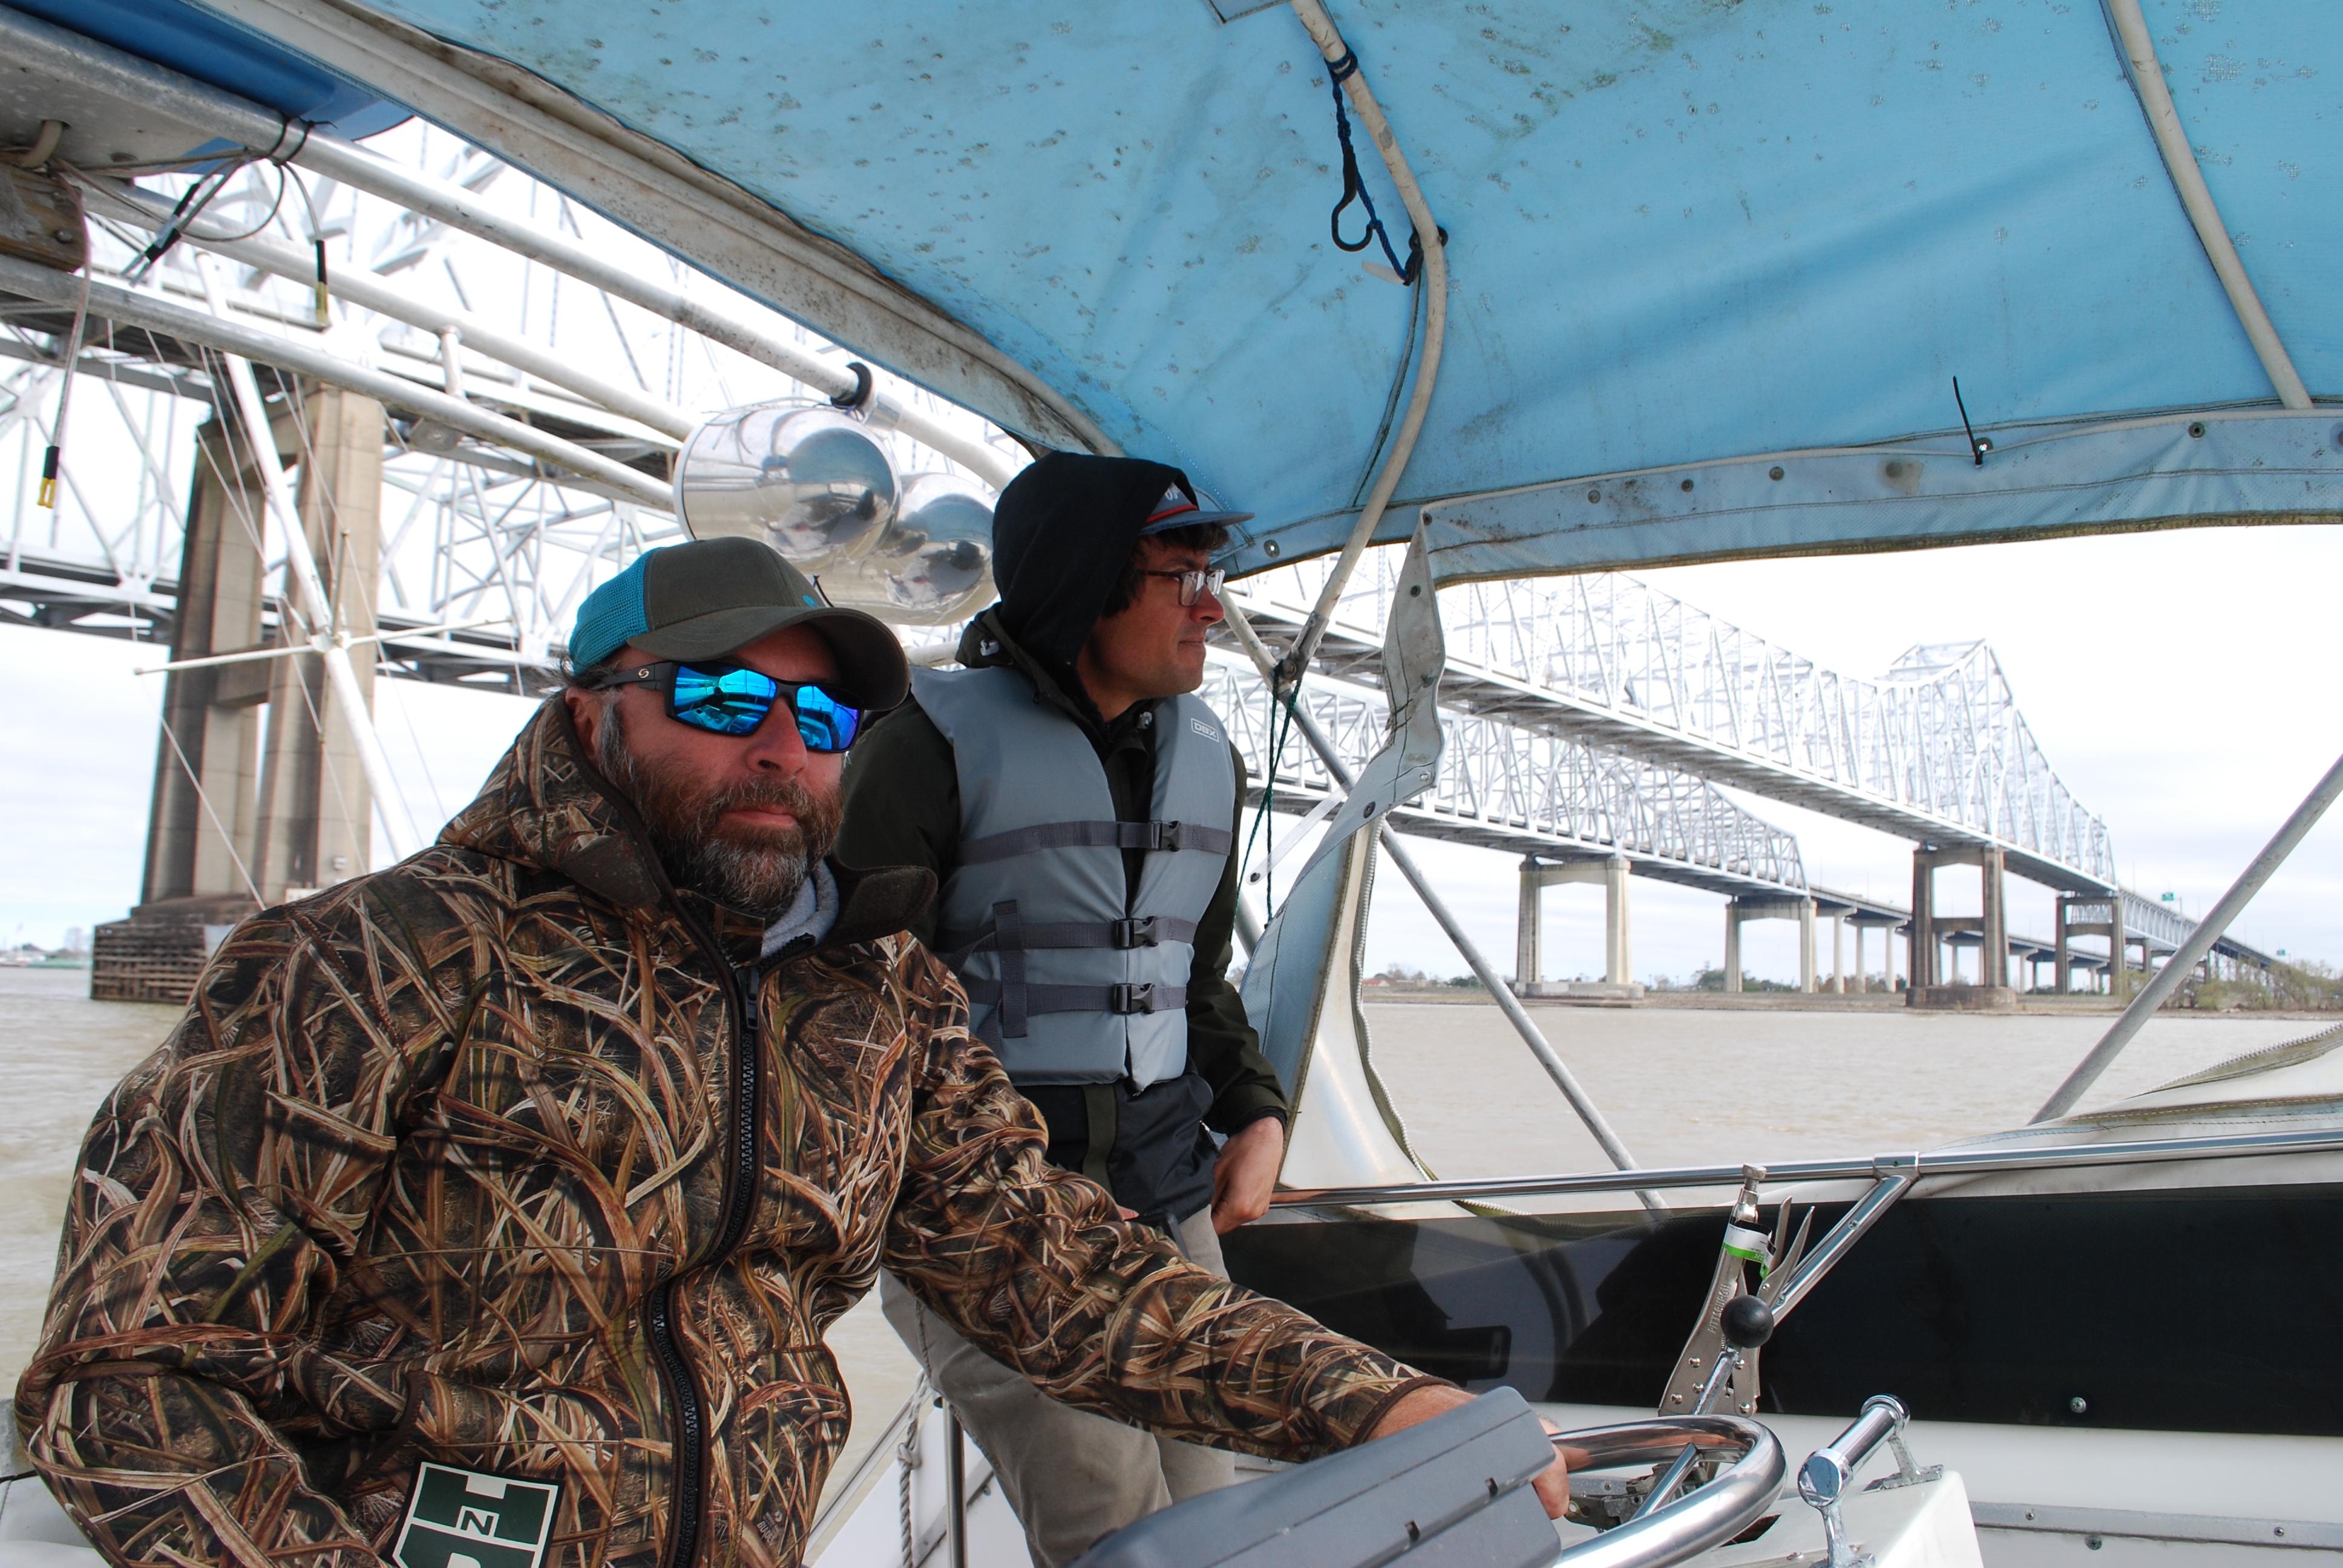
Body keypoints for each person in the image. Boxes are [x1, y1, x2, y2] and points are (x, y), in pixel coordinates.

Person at [15, 536, 1561, 1568]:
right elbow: (130, 1381)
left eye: (824, 720)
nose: (780, 746)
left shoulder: (875, 1001)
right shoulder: (366, 962)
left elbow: (1058, 1273)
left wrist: (1372, 1401)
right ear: (592, 715)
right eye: (721, 697)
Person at [834, 452, 1288, 1566]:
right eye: (1184, 581)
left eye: (1214, 581)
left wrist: (1258, 1113)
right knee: (1114, 1526)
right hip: (991, 1215)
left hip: (1166, 1196)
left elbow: (1190, 977)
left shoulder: (1206, 760)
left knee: (1214, 1521)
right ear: (1087, 585)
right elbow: (840, 1011)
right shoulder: (922, 748)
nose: (1213, 610)